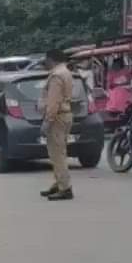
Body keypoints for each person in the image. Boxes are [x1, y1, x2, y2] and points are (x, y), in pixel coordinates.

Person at [39, 49, 76, 201]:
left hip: (57, 117)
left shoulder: (56, 75)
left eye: (46, 60)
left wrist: (47, 121)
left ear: (51, 59)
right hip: (65, 115)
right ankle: (59, 183)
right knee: (59, 152)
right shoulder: (66, 72)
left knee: (57, 155)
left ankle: (65, 188)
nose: (45, 63)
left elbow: (53, 101)